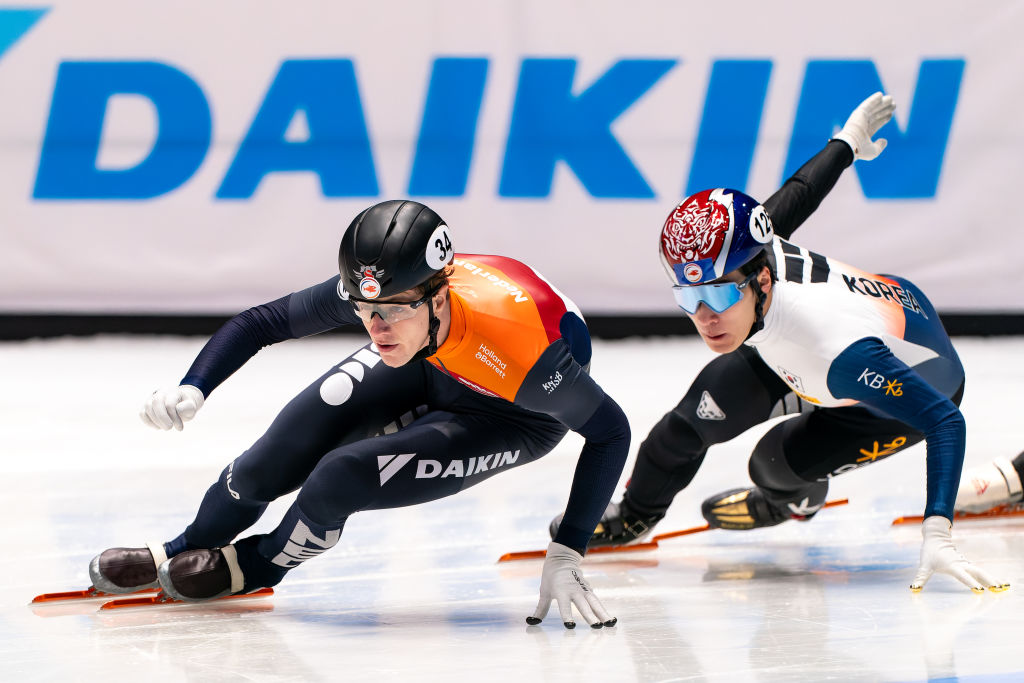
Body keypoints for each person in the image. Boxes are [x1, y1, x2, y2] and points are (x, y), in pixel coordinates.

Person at [90, 200, 629, 629]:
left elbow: (610, 431)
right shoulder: (389, 289)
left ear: (439, 296)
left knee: (340, 474)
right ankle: (184, 545)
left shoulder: (520, 349)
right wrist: (195, 386)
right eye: (364, 311)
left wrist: (567, 552)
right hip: (434, 361)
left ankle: (255, 565)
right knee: (272, 458)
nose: (377, 327)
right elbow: (262, 322)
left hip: (514, 410)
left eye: (391, 310)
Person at [550, 92, 1009, 593]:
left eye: (719, 295)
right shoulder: (747, 252)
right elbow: (799, 193)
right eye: (688, 297)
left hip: (897, 385)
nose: (703, 317)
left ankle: (794, 500)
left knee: (771, 465)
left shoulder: (834, 349)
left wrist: (938, 530)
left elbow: (945, 419)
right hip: (798, 339)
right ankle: (637, 515)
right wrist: (847, 142)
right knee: (683, 427)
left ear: (761, 280)